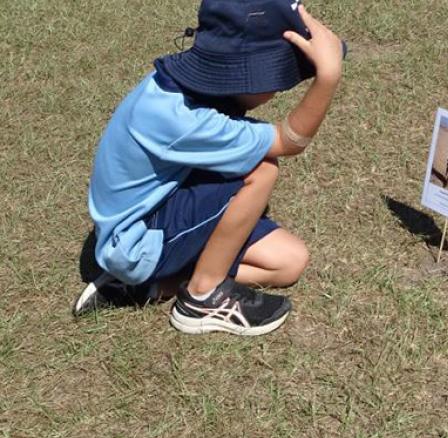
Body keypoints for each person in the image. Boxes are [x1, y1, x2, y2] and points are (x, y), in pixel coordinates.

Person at [71, 0, 346, 335]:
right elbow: (289, 142)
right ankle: (203, 297)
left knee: (289, 261)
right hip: (136, 238)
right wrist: (327, 76)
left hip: (160, 208)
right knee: (262, 170)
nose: (280, 87)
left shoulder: (190, 90)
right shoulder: (182, 118)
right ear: (243, 73)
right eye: (279, 76)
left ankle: (156, 285)